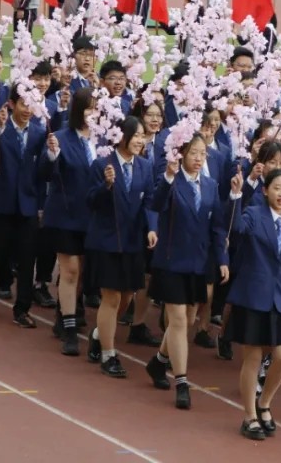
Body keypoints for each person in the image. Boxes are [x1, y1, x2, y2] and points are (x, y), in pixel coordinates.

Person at [145, 134, 230, 409]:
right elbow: (155, 205)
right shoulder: (171, 181)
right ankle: (181, 381)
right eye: (193, 153)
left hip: (198, 261)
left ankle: (159, 362)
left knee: (190, 318)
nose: (198, 158)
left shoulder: (210, 185)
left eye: (202, 153)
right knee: (178, 320)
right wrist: (168, 177)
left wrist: (222, 259)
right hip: (171, 261)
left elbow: (217, 226)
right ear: (182, 153)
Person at [226, 168, 281, 442]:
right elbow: (236, 229)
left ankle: (265, 402)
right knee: (253, 358)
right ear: (266, 190)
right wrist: (236, 194)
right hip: (253, 294)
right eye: (277, 188)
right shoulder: (254, 214)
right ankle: (249, 416)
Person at [84, 116, 159, 377]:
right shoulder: (101, 164)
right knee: (112, 297)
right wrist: (106, 186)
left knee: (127, 296)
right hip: (106, 240)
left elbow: (149, 200)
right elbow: (91, 200)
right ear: (122, 136)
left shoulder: (145, 166)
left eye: (142, 136)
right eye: (135, 135)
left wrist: (151, 227)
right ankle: (108, 354)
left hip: (132, 241)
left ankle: (98, 334)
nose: (140, 140)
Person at [0, 84, 46, 328]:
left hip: (27, 206)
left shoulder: (39, 133)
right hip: (2, 204)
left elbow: (43, 172)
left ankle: (22, 309)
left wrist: (53, 156)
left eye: (31, 105)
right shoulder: (1, 130)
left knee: (27, 259)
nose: (27, 110)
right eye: (23, 104)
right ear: (12, 104)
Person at [39, 88, 98, 356]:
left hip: (94, 217)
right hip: (64, 215)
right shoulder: (61, 138)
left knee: (83, 271)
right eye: (88, 108)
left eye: (96, 109)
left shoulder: (106, 139)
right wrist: (52, 155)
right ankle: (71, 331)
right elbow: (45, 172)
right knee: (70, 270)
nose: (92, 114)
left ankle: (64, 314)